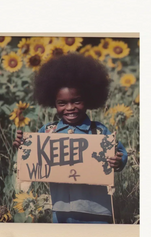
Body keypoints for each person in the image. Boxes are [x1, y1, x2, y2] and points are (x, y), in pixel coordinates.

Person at [13, 52, 127, 224]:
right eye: (62, 103)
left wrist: (118, 161)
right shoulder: (48, 132)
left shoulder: (99, 131)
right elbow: (33, 155)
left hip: (98, 211)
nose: (70, 108)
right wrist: (23, 145)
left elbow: (120, 154)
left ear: (88, 99)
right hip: (62, 211)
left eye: (76, 101)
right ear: (53, 103)